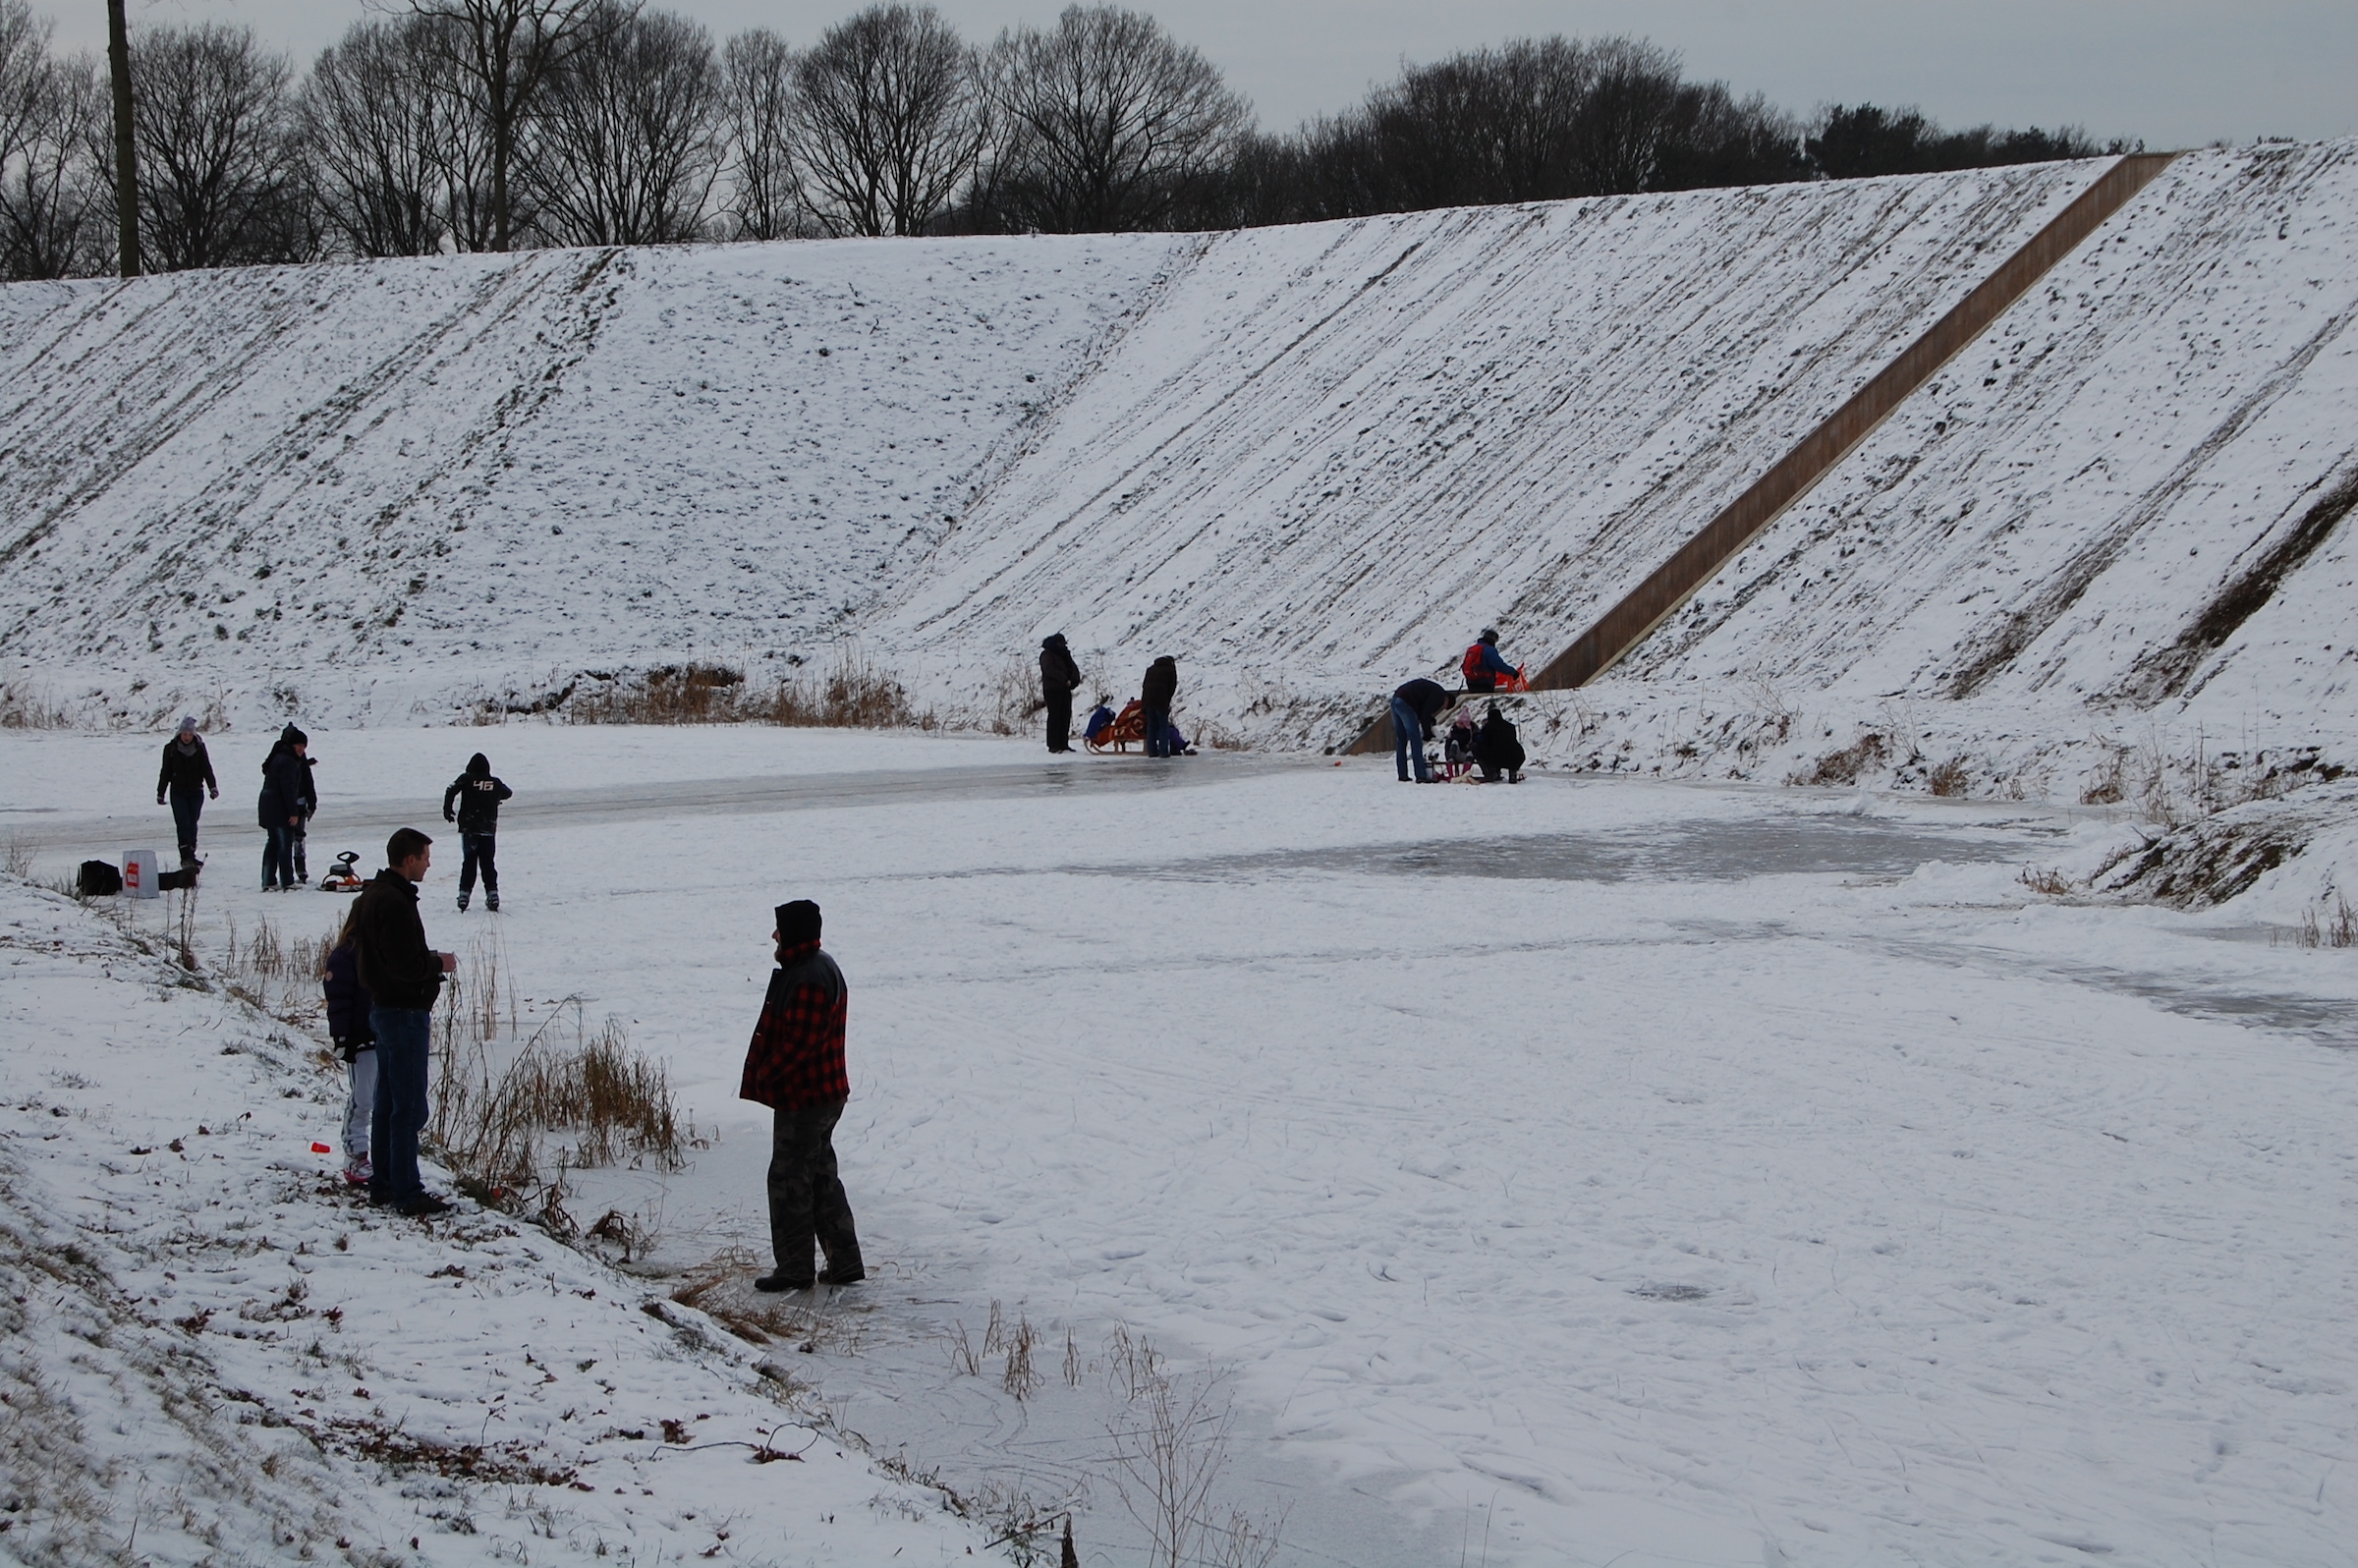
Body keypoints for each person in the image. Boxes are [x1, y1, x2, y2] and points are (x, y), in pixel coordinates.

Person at [739, 899, 866, 1292]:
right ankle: (844, 1262)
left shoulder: (809, 975)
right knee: (820, 1176)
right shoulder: (812, 967)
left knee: (791, 1179)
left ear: (793, 933)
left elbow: (801, 1043)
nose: (774, 936)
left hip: (807, 1099)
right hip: (820, 1095)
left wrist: (767, 1071)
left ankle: (795, 1268)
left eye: (779, 929)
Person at [354, 828, 456, 1217]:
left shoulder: (374, 895)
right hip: (402, 1013)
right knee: (408, 1107)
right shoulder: (394, 901)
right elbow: (403, 965)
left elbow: (381, 957)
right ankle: (407, 1191)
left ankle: (384, 1184)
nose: (429, 863)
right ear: (408, 859)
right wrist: (437, 964)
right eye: (425, 857)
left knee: (388, 1102)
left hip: (384, 1009)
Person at [321, 904, 376, 1187]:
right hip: (359, 1038)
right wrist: (342, 1039)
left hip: (381, 1034)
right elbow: (339, 1002)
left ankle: (378, 1151)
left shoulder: (380, 952)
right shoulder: (345, 957)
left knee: (380, 1097)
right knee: (363, 1097)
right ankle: (355, 1151)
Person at [442, 753, 514, 912]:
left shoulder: (466, 779)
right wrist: (494, 798)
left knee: (469, 861)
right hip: (488, 828)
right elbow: (508, 793)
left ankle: (464, 895)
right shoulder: (495, 783)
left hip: (469, 828)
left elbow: (451, 789)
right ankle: (492, 894)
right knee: (488, 862)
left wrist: (448, 808)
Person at [155, 716, 219, 867]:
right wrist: (161, 792)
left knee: (192, 823)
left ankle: (191, 853)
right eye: (184, 734)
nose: (187, 737)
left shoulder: (199, 748)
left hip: (196, 791)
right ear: (179, 734)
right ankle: (185, 857)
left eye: (190, 734)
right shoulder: (171, 749)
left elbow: (206, 768)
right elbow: (165, 771)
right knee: (183, 823)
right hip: (178, 791)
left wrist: (213, 787)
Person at [256, 726, 311, 891]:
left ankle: (268, 880)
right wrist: (293, 812)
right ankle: (287, 880)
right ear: (292, 745)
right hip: (278, 806)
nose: (301, 749)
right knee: (284, 843)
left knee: (272, 842)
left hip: (267, 803)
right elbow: (288, 789)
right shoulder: (288, 762)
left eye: (304, 746)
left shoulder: (278, 757)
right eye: (299, 746)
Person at [1390, 678, 1449, 783]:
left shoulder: (1433, 689)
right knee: (1415, 739)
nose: (1441, 708)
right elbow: (1425, 714)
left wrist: (1429, 721)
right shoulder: (1440, 695)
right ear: (1447, 700)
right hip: (1405, 703)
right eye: (1445, 707)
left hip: (1396, 699)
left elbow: (1422, 711)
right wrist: (1428, 734)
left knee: (1401, 739)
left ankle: (1402, 774)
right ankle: (1421, 775)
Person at [1039, 635, 1083, 755]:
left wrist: (1074, 680)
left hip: (1065, 688)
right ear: (1056, 643)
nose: (1064, 645)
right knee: (1055, 716)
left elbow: (1072, 668)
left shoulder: (1064, 654)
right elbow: (1049, 669)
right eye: (1062, 643)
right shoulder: (1047, 654)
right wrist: (1063, 679)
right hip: (1052, 689)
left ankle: (1063, 743)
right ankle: (1053, 745)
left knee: (1065, 715)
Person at [1474, 700, 1527, 784]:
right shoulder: (1510, 727)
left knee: (1477, 747)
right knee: (1506, 750)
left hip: (1497, 757)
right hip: (1516, 756)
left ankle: (1493, 772)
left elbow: (1482, 741)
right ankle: (1512, 772)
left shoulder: (1488, 727)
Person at [1141, 655, 1179, 759]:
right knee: (1163, 725)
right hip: (1161, 701)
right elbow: (1172, 686)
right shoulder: (1170, 670)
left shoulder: (1150, 670)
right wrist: (1167, 700)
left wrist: (1144, 703)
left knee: (1151, 725)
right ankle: (1163, 752)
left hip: (1148, 701)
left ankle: (1152, 751)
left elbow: (1144, 686)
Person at [1461, 629, 1519, 694]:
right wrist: (1513, 672)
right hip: (1484, 682)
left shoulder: (1472, 649)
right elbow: (1499, 665)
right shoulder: (1489, 650)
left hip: (1471, 681)